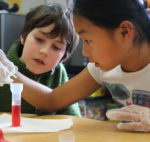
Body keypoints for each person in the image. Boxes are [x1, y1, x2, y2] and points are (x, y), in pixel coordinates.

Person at [1, 0, 150, 132]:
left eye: (88, 40)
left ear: (124, 32)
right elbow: (52, 100)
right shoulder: (100, 68)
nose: (84, 52)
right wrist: (8, 70)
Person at [0, 4, 81, 116]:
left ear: (64, 58)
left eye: (56, 47)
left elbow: (73, 119)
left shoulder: (59, 74)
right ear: (23, 37)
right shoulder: (2, 69)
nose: (45, 51)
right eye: (39, 39)